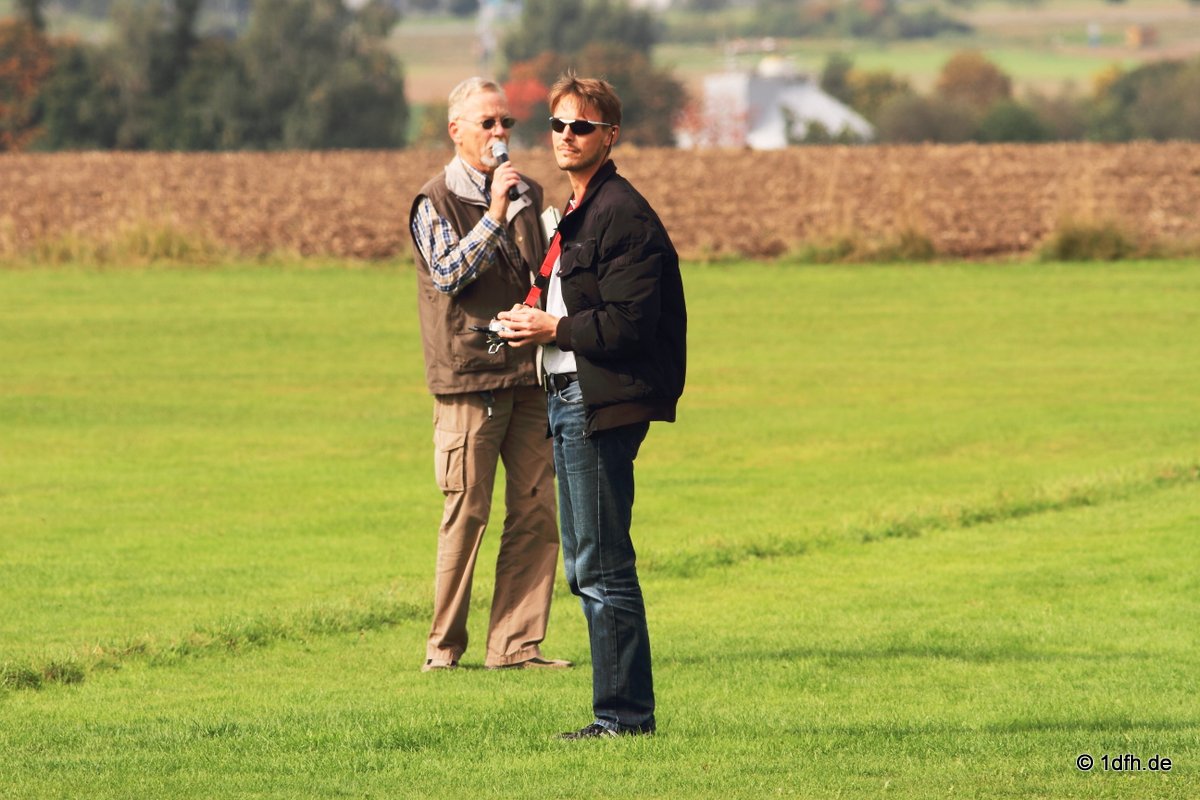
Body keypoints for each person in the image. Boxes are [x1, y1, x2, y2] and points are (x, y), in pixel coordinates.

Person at [498, 74, 687, 738]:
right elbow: (569, 302)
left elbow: (630, 324)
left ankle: (624, 719)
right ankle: (620, 716)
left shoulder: (619, 213)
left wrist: (554, 331)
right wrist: (530, 317)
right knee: (586, 562)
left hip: (596, 401)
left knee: (602, 565)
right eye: (557, 126)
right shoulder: (576, 211)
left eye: (581, 126)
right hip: (568, 397)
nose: (567, 137)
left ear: (610, 135)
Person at [409, 77, 570, 672]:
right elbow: (450, 274)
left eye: (505, 123)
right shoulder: (435, 199)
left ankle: (515, 647)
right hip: (468, 383)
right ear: (457, 131)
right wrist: (496, 213)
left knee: (536, 513)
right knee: (466, 513)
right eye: (487, 124)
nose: (500, 134)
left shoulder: (529, 190)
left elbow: (545, 271)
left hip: (527, 379)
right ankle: (444, 652)